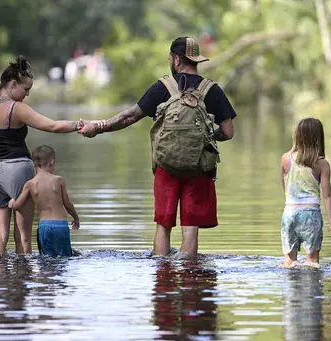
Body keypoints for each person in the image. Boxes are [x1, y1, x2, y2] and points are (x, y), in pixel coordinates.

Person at [79, 37, 237, 258]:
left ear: (176, 59)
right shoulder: (211, 89)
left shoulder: (163, 87)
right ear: (195, 60)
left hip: (166, 167)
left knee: (163, 224)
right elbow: (228, 132)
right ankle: (189, 273)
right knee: (190, 226)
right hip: (199, 168)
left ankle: (162, 273)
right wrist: (206, 135)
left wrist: (99, 126)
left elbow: (129, 117)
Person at [0, 56, 81, 257]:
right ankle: (23, 284)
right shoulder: (15, 108)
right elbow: (52, 126)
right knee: (23, 237)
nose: (26, 95)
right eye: (25, 89)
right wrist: (79, 125)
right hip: (17, 170)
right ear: (12, 84)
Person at [280, 117, 331, 267]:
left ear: (297, 135)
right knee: (312, 263)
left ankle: (290, 288)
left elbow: (285, 189)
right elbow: (327, 196)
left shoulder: (285, 159)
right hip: (310, 215)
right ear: (318, 138)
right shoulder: (321, 164)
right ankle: (311, 289)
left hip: (289, 213)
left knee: (289, 262)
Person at [8, 145, 80, 257]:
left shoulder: (30, 184)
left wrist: (12, 202)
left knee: (47, 260)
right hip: (60, 226)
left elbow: (17, 206)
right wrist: (75, 217)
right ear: (52, 162)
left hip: (44, 227)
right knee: (64, 258)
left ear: (33, 164)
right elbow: (68, 204)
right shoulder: (58, 180)